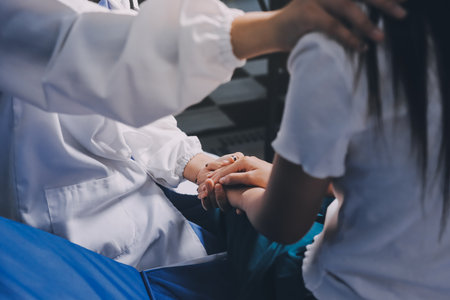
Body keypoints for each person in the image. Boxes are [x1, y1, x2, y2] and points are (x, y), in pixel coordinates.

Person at [0, 0, 406, 272]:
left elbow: (125, 100)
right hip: (68, 241)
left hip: (146, 211)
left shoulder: (333, 64)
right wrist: (275, 28)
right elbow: (108, 64)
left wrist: (208, 171)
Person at [199, 0, 450, 298]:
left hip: (343, 289)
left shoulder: (340, 40)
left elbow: (282, 225)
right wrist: (307, 184)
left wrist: (237, 193)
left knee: (233, 212)